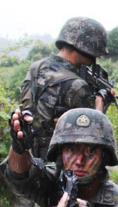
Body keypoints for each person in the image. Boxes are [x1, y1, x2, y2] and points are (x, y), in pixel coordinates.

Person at [20, 17, 111, 160]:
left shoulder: (35, 68)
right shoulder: (77, 86)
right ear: (85, 49)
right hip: (63, 164)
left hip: (32, 158)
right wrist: (100, 103)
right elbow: (92, 136)